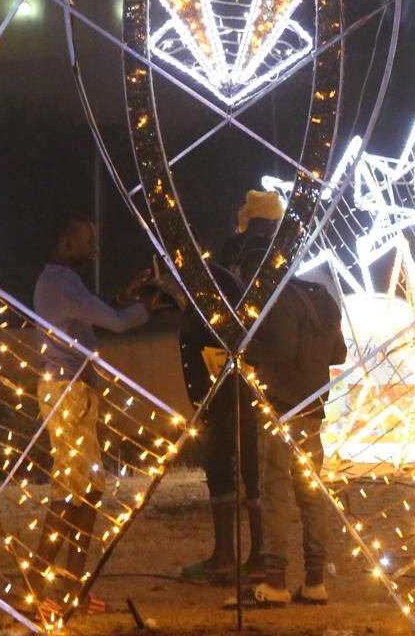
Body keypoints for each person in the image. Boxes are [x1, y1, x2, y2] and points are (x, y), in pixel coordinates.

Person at [28, 215, 161, 620]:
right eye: (88, 240)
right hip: (67, 392)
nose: (95, 247)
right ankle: (36, 583)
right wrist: (148, 306)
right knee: (71, 489)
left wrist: (126, 297)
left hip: (71, 391)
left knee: (88, 489)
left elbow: (97, 314)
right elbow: (116, 322)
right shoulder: (63, 285)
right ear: (67, 244)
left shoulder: (60, 283)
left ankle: (73, 585)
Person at [234, 226, 344, 607]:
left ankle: (276, 580)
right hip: (313, 408)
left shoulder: (280, 300)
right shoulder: (321, 297)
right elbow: (339, 353)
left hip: (281, 408)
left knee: (275, 492)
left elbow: (281, 349)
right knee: (311, 495)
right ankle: (315, 580)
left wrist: (244, 348)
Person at [144, 245, 265, 587]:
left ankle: (255, 557)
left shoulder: (206, 287)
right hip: (220, 397)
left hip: (235, 393)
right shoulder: (197, 282)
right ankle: (228, 556)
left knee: (249, 473)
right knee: (223, 471)